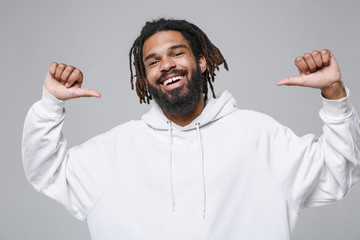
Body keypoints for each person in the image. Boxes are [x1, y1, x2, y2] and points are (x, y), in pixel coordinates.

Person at [22, 18, 360, 240]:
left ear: (201, 61)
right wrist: (51, 103)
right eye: (152, 61)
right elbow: (47, 171)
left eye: (176, 53)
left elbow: (338, 172)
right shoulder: (116, 150)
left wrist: (333, 94)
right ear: (144, 79)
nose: (165, 64)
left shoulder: (257, 135)